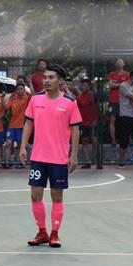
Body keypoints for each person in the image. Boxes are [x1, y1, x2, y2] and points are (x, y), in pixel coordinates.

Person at [19, 63, 80, 249]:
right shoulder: (35, 99)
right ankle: (42, 232)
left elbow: (75, 130)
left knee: (56, 196)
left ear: (60, 81)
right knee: (35, 194)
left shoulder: (69, 102)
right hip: (38, 157)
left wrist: (73, 155)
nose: (46, 80)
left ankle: (54, 234)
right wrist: (23, 147)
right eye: (45, 77)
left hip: (59, 158)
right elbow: (28, 123)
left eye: (51, 77)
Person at [5, 77, 31, 168]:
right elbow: (6, 107)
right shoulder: (13, 98)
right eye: (18, 89)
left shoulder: (27, 98)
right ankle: (6, 162)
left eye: (21, 89)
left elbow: (33, 94)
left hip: (22, 126)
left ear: (24, 90)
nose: (19, 91)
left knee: (19, 145)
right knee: (8, 143)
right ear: (16, 91)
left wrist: (30, 83)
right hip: (12, 125)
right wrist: (4, 98)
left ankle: (18, 162)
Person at [76, 78, 98, 168]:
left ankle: (96, 159)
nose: (82, 87)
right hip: (83, 123)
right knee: (84, 141)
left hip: (93, 122)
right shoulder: (79, 97)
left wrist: (94, 85)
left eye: (84, 85)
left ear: (89, 86)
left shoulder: (92, 95)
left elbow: (97, 95)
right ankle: (87, 161)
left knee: (95, 140)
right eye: (82, 85)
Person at [107, 58, 130, 146]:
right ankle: (113, 139)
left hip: (125, 100)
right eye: (118, 62)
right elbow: (110, 85)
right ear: (115, 64)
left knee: (127, 119)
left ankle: (128, 138)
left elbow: (128, 86)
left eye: (121, 61)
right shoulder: (111, 74)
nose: (119, 63)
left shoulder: (128, 74)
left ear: (124, 64)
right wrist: (122, 84)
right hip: (113, 100)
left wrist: (116, 85)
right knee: (112, 119)